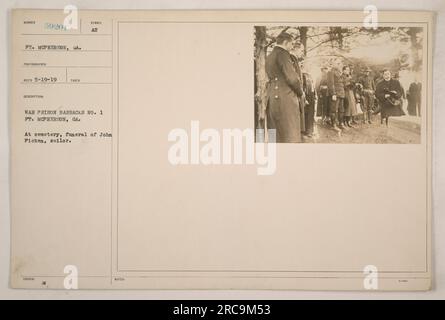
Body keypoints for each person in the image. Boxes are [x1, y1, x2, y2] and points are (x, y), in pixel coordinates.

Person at [265, 32, 304, 142]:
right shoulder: (283, 54)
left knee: (275, 135)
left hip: (272, 98)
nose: (292, 47)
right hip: (286, 99)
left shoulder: (269, 56)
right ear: (286, 42)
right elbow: (292, 78)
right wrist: (300, 92)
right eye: (291, 44)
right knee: (289, 135)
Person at [327, 60, 345, 131]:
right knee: (334, 110)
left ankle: (341, 124)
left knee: (341, 110)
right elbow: (331, 84)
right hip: (335, 94)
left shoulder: (339, 72)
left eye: (339, 63)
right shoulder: (330, 72)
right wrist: (333, 94)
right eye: (337, 63)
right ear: (333, 64)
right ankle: (333, 125)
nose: (339, 64)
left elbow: (341, 84)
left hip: (341, 94)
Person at [302, 72, 316, 137]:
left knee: (311, 114)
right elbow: (302, 87)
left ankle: (311, 130)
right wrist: (305, 99)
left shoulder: (309, 75)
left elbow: (313, 86)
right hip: (306, 96)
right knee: (306, 114)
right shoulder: (303, 75)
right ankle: (307, 131)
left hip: (311, 96)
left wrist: (315, 95)